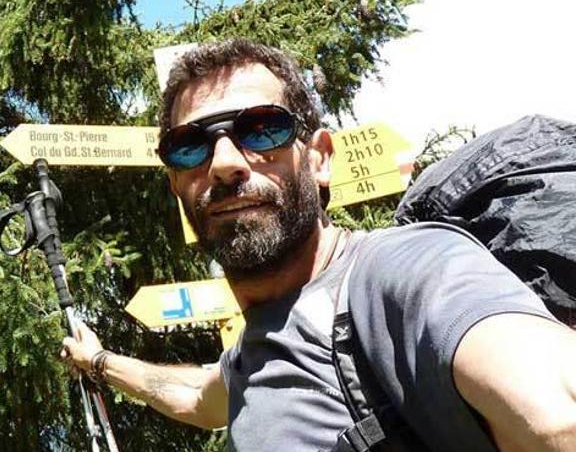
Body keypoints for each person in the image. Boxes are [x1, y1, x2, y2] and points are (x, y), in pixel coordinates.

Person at [60, 38, 576, 452]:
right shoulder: (249, 358)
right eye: (190, 145)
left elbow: (556, 414)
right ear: (176, 182)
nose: (223, 163)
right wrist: (99, 360)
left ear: (319, 158)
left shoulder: (404, 269)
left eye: (261, 130)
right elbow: (196, 395)